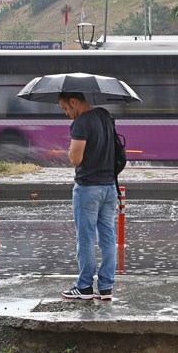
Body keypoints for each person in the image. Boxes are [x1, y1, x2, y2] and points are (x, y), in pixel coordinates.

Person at [57, 92, 118, 300]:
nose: (66, 113)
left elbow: (75, 158)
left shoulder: (81, 122)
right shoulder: (104, 115)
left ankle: (84, 287)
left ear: (74, 102)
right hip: (110, 187)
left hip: (88, 188)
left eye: (66, 108)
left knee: (86, 238)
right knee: (108, 237)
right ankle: (106, 287)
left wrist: (68, 150)